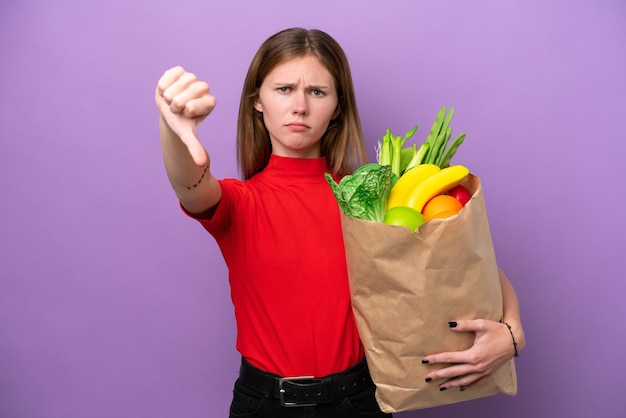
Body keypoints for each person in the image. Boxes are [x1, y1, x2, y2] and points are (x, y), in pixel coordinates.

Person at [155, 27, 525, 418]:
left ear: (336, 107)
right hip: (264, 405)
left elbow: (467, 263)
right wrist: (173, 129)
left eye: (317, 92)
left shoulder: (370, 202)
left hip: (360, 401)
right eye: (283, 89)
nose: (299, 106)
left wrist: (512, 335)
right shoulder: (239, 202)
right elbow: (190, 184)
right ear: (256, 102)